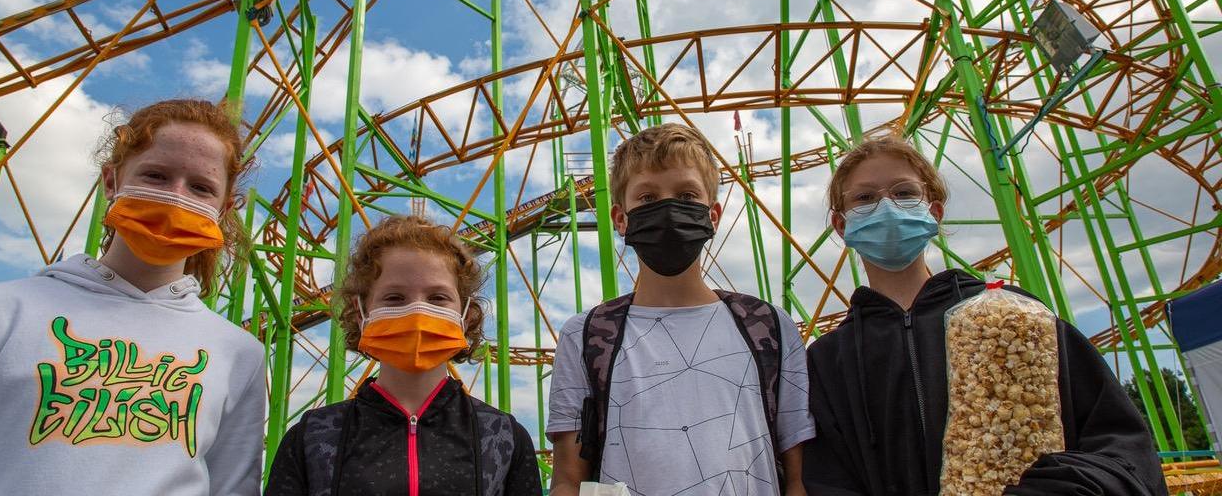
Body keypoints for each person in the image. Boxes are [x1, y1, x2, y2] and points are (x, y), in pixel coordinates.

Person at [801, 135, 1168, 496]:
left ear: (934, 211)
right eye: (865, 198)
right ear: (841, 225)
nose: (886, 207)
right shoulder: (826, 360)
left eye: (904, 193)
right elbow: (825, 478)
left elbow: (1121, 446)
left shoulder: (1012, 317)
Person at [0, 98, 266, 495]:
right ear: (111, 181)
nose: (175, 197)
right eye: (156, 176)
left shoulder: (238, 352)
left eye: (200, 187)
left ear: (224, 207)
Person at [548, 123, 815, 496]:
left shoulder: (768, 326)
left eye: (688, 195)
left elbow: (799, 477)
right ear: (620, 219)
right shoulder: (586, 334)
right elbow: (567, 480)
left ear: (714, 215)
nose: (669, 208)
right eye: (647, 198)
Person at [264, 214, 542, 496]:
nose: (418, 311)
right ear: (361, 314)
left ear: (466, 316)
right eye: (394, 298)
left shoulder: (502, 437)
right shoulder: (313, 438)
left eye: (438, 298)